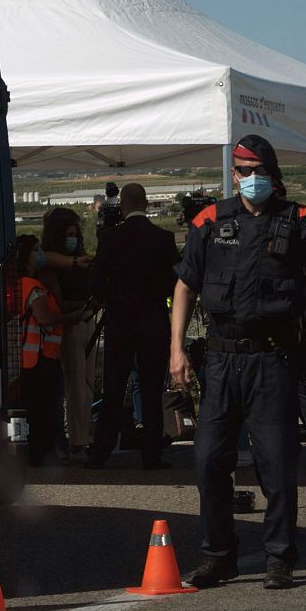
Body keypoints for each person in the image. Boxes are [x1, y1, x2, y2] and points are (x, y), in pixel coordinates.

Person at [171, 125, 306, 590]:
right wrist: (176, 350)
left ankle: (279, 557)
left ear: (272, 175)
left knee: (275, 463)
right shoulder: (209, 221)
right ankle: (217, 557)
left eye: (258, 171)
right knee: (209, 460)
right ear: (233, 175)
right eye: (243, 171)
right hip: (220, 358)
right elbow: (186, 284)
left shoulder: (298, 219)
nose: (250, 178)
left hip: (271, 361)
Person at [86, 184, 178, 469]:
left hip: (120, 323)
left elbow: (97, 283)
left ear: (122, 206)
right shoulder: (163, 238)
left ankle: (101, 451)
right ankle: (151, 454)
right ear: (147, 204)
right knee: (151, 390)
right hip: (153, 322)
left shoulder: (110, 238)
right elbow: (175, 284)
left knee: (113, 389)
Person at [12, 235, 86, 467]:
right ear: (26, 256)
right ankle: (41, 455)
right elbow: (45, 318)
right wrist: (70, 318)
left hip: (31, 358)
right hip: (39, 359)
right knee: (42, 411)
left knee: (35, 410)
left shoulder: (21, 284)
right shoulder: (32, 286)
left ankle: (38, 454)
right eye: (36, 250)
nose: (40, 254)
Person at [40, 208, 96, 456]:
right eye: (69, 234)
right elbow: (60, 301)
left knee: (87, 384)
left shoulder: (76, 261)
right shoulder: (50, 264)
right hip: (71, 325)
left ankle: (82, 435)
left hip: (86, 321)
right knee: (76, 385)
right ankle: (78, 439)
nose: (74, 239)